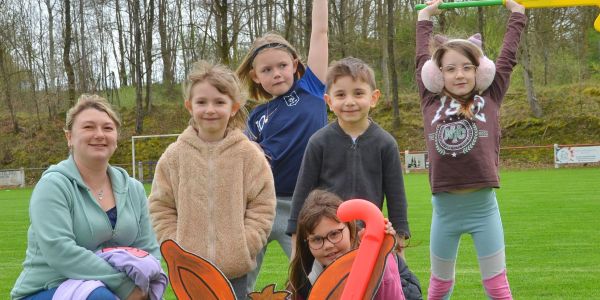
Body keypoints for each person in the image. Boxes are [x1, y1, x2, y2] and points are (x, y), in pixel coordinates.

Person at [416, 1, 526, 299]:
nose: (460, 74)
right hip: (445, 212)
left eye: (467, 67)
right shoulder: (430, 100)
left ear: (480, 70)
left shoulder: (490, 96)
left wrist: (517, 15)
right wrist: (424, 17)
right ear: (438, 73)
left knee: (497, 287)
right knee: (439, 286)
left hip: (483, 210)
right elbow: (420, 58)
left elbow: (507, 58)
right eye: (450, 69)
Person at [286, 56, 420, 298]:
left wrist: (398, 248)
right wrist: (298, 246)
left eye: (358, 93)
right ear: (328, 101)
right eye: (340, 95)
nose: (350, 102)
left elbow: (397, 200)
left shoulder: (385, 143)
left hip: (368, 242)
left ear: (374, 97)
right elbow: (301, 198)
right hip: (329, 240)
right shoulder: (318, 142)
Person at [11, 94, 160, 300]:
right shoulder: (53, 186)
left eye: (107, 128)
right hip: (48, 288)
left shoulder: (133, 189)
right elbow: (60, 252)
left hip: (112, 289)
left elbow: (149, 249)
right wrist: (125, 288)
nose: (99, 134)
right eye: (88, 127)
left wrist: (148, 284)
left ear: (116, 137)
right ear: (69, 137)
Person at [148, 61, 276, 300]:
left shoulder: (249, 155)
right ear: (189, 106)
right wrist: (176, 247)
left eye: (219, 102)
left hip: (234, 271)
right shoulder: (174, 157)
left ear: (234, 107)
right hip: (189, 271)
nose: (210, 109)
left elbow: (263, 205)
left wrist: (244, 245)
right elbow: (160, 206)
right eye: (202, 102)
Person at [236, 0, 329, 292]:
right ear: (255, 77)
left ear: (295, 65)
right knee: (239, 274)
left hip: (307, 206)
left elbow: (321, 33)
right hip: (263, 206)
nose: (276, 73)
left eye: (282, 66)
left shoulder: (312, 89)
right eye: (266, 70)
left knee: (316, 279)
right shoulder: (256, 117)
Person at [287, 189, 405, 300]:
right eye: (317, 239)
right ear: (306, 243)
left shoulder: (383, 263)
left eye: (334, 234)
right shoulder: (303, 282)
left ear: (350, 229)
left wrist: (382, 256)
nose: (327, 245)